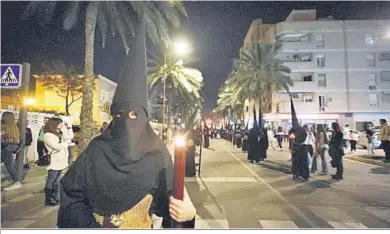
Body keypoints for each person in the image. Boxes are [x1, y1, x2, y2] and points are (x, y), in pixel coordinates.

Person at [57, 28, 196, 228]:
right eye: (120, 115)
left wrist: (187, 214)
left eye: (134, 115)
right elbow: (71, 197)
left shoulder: (157, 155)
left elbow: (173, 207)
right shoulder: (97, 151)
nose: (127, 123)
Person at [43, 117, 69, 206]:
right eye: (59, 123)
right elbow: (56, 146)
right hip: (54, 160)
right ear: (54, 124)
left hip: (61, 160)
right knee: (51, 179)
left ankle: (55, 196)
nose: (61, 125)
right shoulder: (48, 135)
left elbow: (69, 137)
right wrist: (65, 144)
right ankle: (49, 198)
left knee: (57, 180)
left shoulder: (59, 133)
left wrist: (67, 128)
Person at [1, 112, 23, 191]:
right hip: (10, 149)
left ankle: (17, 182)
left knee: (9, 166)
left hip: (5, 149)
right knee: (9, 165)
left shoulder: (3, 127)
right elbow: (18, 139)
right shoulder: (14, 127)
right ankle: (17, 182)